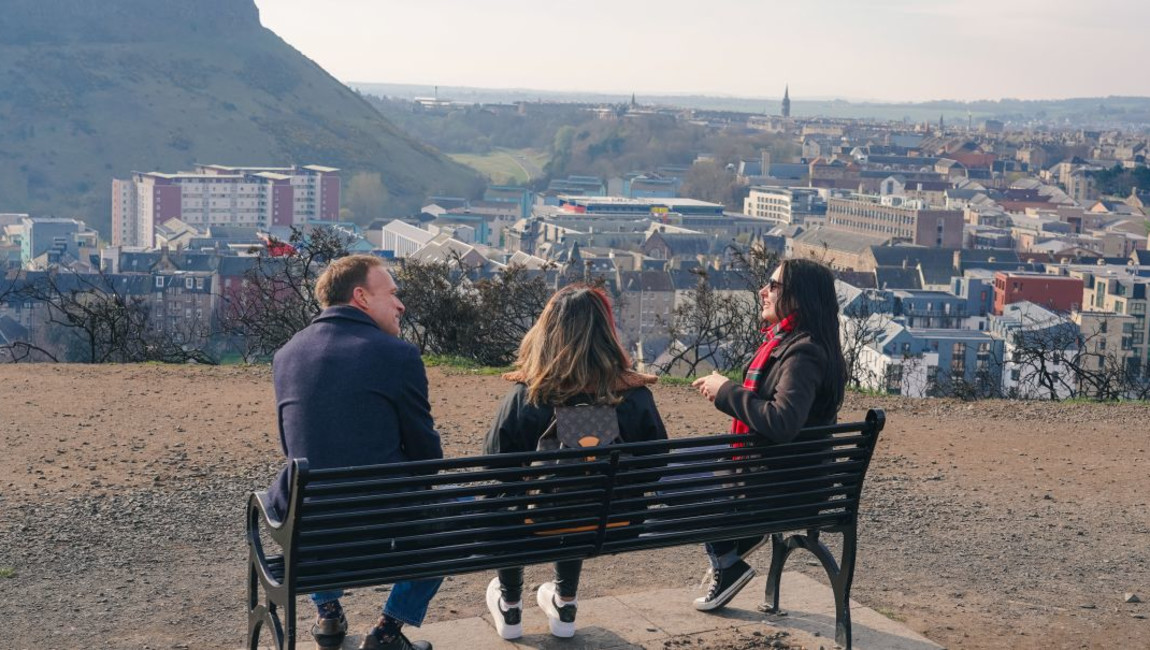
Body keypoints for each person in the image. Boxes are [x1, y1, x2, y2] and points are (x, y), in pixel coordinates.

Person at [265, 254, 443, 650]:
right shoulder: (398, 355)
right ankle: (387, 630)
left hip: (310, 531)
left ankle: (328, 613)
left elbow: (292, 447)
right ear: (360, 296)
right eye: (393, 294)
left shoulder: (285, 356)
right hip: (381, 533)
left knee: (313, 486)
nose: (401, 305)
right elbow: (428, 459)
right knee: (456, 508)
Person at [482, 284, 668, 640]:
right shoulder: (634, 396)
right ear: (606, 333)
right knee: (585, 490)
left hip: (531, 525)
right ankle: (565, 601)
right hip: (615, 523)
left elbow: (496, 468)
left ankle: (510, 605)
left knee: (503, 500)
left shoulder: (526, 396)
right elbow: (655, 462)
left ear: (546, 333)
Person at [689, 258, 847, 612]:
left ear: (799, 297)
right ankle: (734, 549)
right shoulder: (795, 343)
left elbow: (782, 422)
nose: (762, 291)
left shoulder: (803, 353)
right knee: (690, 471)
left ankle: (728, 560)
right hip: (788, 478)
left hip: (782, 490)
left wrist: (726, 391)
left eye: (773, 286)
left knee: (674, 483)